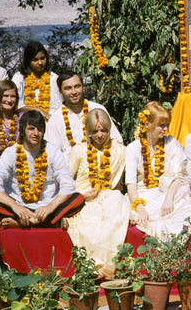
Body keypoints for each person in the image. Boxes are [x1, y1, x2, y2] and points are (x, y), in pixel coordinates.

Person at [0, 110, 84, 229]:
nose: (36, 133)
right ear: (23, 130)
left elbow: (68, 185)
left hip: (47, 208)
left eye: (39, 129)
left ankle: (20, 223)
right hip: (18, 206)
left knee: (78, 198)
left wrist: (50, 207)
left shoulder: (53, 151)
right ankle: (50, 223)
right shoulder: (11, 153)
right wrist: (15, 207)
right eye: (31, 128)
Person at [126, 102, 191, 240]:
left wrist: (169, 197)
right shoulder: (133, 148)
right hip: (142, 195)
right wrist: (139, 208)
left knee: (188, 204)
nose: (165, 129)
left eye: (166, 124)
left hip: (168, 191)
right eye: (161, 125)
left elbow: (180, 175)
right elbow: (131, 184)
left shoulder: (171, 142)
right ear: (147, 125)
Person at [67, 109, 130, 277]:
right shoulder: (79, 151)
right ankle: (92, 268)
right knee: (88, 227)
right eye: (95, 131)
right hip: (83, 200)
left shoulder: (120, 151)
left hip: (110, 197)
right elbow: (66, 182)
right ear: (88, 132)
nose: (100, 135)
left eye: (104, 130)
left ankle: (106, 268)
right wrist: (81, 197)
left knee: (114, 208)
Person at [45, 71, 122, 158]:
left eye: (77, 86)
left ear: (83, 88)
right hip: (70, 169)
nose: (73, 92)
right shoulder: (56, 119)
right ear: (60, 92)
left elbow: (117, 141)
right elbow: (53, 154)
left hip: (102, 165)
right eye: (68, 88)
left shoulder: (97, 109)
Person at [12, 41, 62, 119]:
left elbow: (58, 105)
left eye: (42, 58)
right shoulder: (19, 77)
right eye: (35, 60)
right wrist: (38, 110)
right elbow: (15, 104)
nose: (40, 63)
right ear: (28, 61)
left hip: (50, 121)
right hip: (25, 121)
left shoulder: (53, 78)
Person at [0, 80, 20, 170]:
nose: (9, 100)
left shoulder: (22, 118)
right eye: (6, 96)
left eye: (13, 96)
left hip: (20, 169)